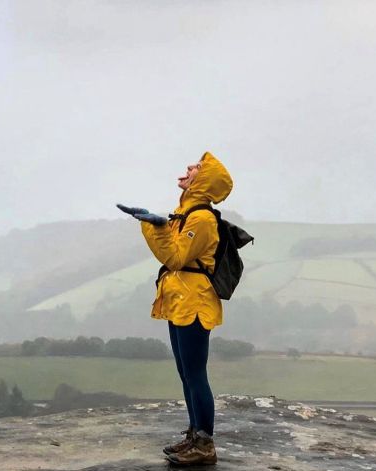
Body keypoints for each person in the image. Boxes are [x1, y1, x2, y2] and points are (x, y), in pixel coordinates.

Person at [117, 151, 233, 466]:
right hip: (181, 300)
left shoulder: (201, 219)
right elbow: (172, 254)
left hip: (194, 302)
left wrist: (156, 228)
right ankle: (194, 435)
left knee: (195, 374)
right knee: (186, 372)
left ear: (204, 180)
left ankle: (205, 444)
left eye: (195, 167)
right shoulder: (185, 214)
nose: (188, 168)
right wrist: (157, 225)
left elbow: (176, 258)